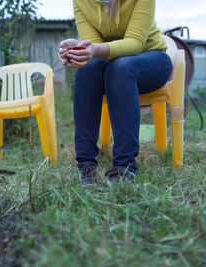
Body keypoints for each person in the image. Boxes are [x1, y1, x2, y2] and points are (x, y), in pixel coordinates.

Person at [59, 0, 173, 185]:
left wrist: (95, 49)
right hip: (112, 65)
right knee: (87, 70)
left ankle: (124, 167)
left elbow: (135, 43)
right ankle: (86, 165)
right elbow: (93, 46)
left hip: (153, 60)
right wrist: (80, 49)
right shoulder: (81, 1)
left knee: (120, 67)